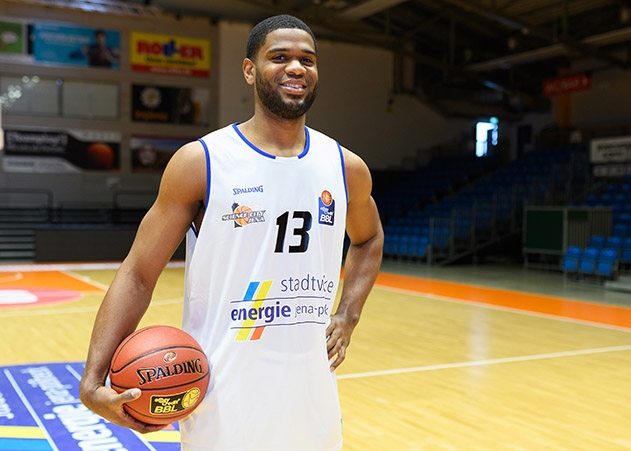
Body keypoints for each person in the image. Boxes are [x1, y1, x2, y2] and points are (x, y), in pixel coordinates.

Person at [80, 14, 383, 451]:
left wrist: (348, 314)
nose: (296, 68)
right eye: (279, 57)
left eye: (307, 60)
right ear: (249, 70)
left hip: (314, 406)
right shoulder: (201, 163)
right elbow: (139, 273)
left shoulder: (346, 167)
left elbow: (369, 239)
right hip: (222, 408)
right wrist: (93, 379)